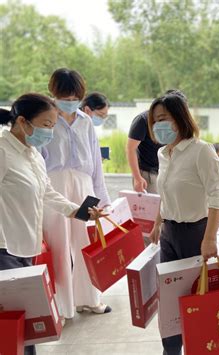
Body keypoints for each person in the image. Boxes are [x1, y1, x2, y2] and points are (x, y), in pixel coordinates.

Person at [0, 93, 105, 355]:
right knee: (11, 325)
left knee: (26, 323)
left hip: (27, 247)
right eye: (46, 125)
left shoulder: (33, 154)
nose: (50, 131)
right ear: (23, 122)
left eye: (52, 125)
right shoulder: (2, 151)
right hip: (4, 248)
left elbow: (48, 193)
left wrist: (81, 212)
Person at [147, 89, 219, 355]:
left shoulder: (201, 151)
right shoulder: (163, 154)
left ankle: (200, 347)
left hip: (196, 234)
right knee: (169, 301)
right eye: (155, 119)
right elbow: (166, 192)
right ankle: (170, 351)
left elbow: (217, 195)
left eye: (164, 118)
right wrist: (158, 222)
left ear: (180, 118)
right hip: (169, 234)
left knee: (196, 299)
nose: (159, 125)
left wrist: (210, 238)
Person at [41, 68, 112, 320]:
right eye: (65, 96)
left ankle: (90, 300)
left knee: (86, 245)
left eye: (75, 97)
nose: (70, 102)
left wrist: (102, 199)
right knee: (58, 246)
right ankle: (62, 306)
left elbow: (95, 162)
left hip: (84, 187)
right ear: (54, 93)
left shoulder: (85, 121)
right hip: (54, 184)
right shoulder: (43, 119)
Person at [127, 110, 163, 193]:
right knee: (149, 204)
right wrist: (137, 177)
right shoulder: (142, 120)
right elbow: (130, 149)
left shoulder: (175, 120)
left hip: (165, 171)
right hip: (148, 173)